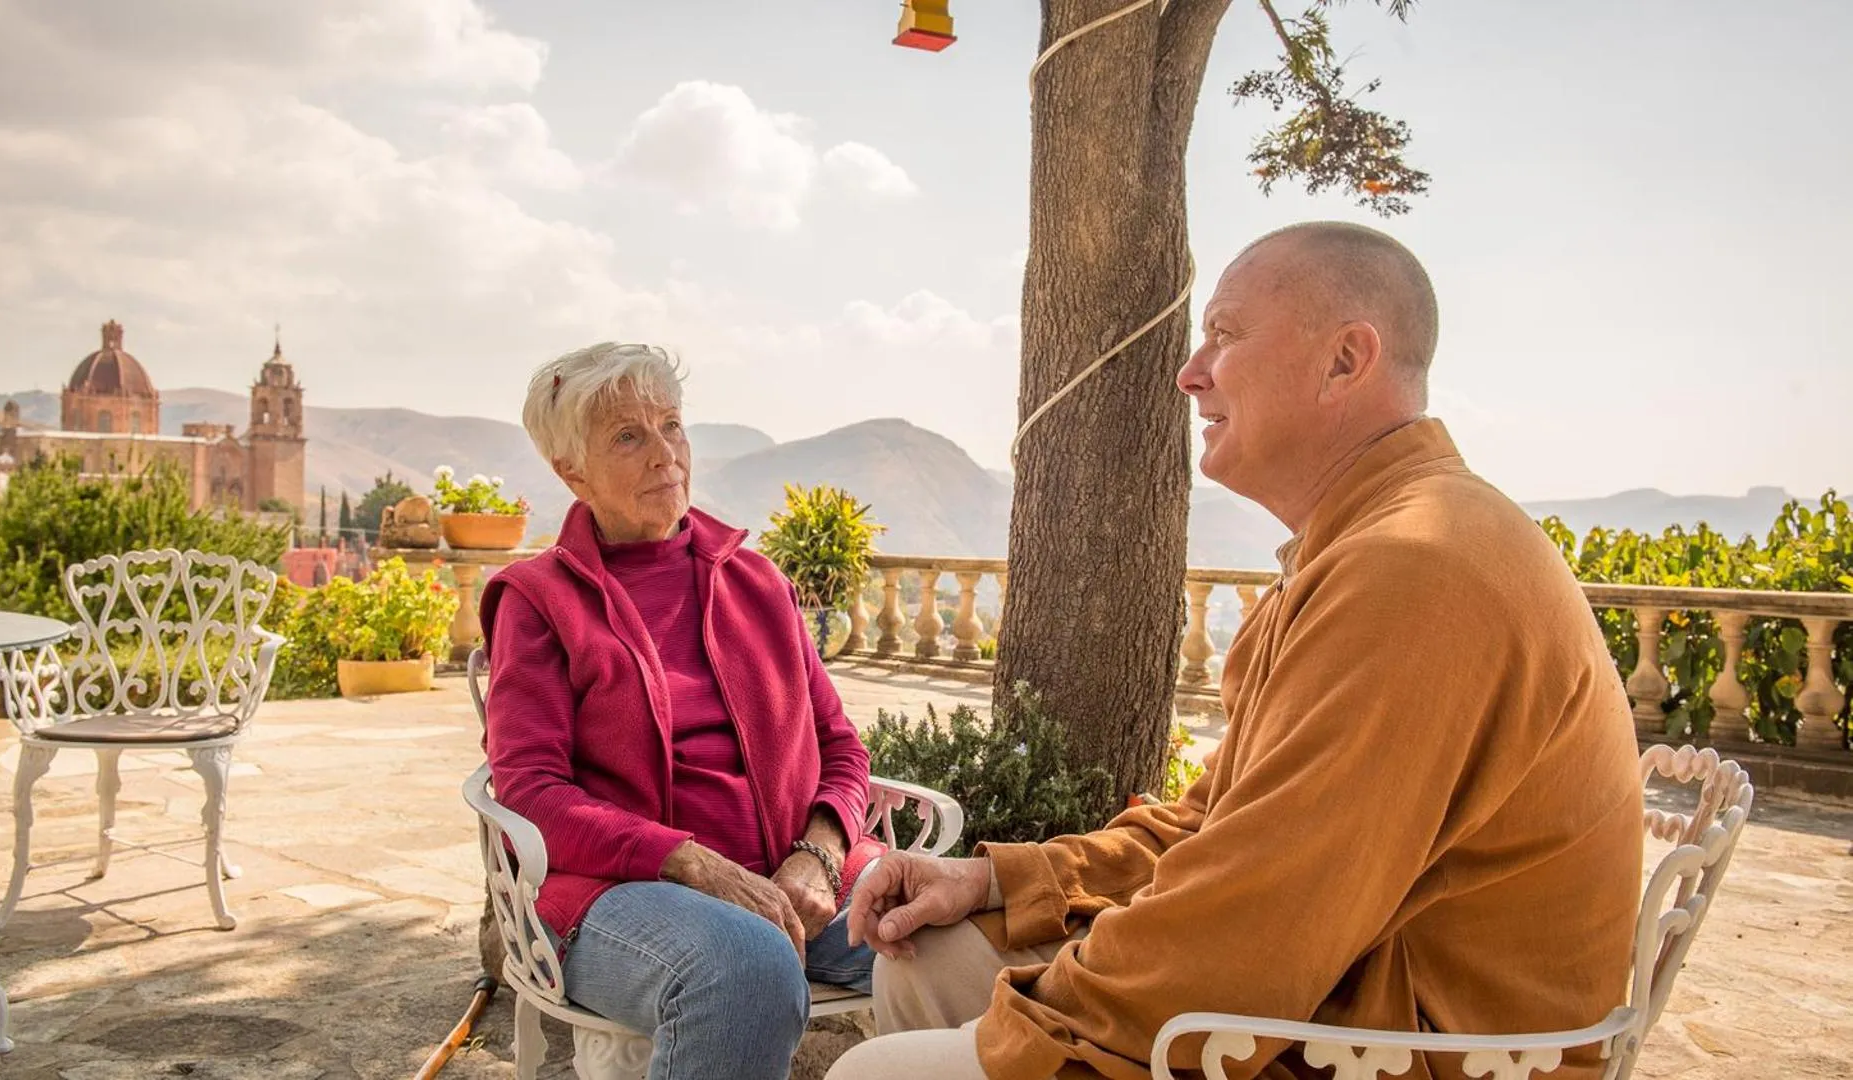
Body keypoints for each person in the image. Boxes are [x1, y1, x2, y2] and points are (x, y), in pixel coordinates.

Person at [827, 222, 1644, 1080]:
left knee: (871, 1074)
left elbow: (1260, 914)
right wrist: (995, 883)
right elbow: (1211, 826)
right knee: (934, 951)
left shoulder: (1413, 570)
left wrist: (1033, 1030)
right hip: (1345, 986)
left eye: (1225, 333)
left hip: (1416, 1047)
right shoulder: (1373, 542)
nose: (1189, 371)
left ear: (1345, 360)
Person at [480, 342, 886, 1080]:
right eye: (628, 437)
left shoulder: (758, 581)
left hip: (793, 878)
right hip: (615, 894)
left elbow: (840, 748)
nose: (665, 454)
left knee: (959, 925)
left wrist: (818, 854)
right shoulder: (536, 599)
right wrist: (691, 862)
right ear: (572, 472)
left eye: (671, 425)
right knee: (745, 967)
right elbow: (531, 791)